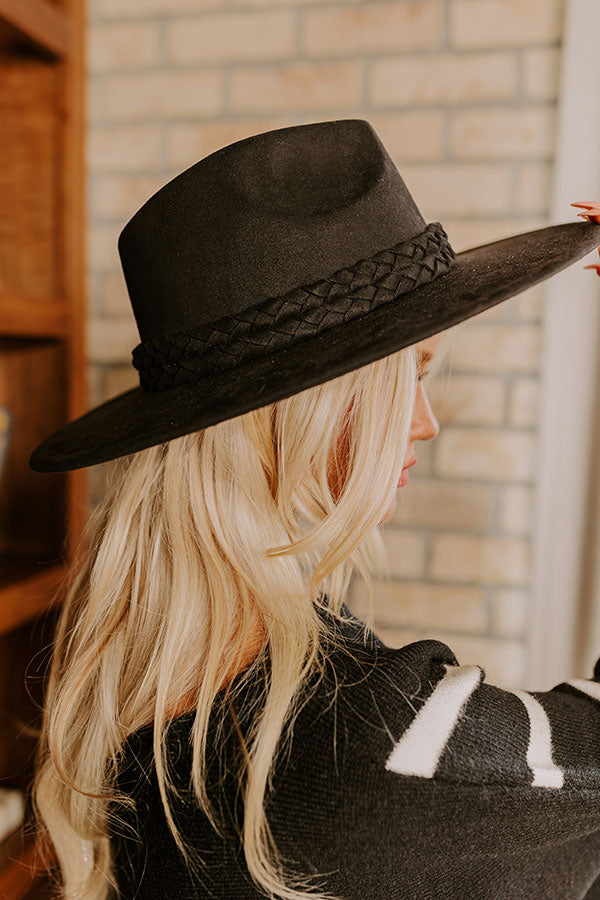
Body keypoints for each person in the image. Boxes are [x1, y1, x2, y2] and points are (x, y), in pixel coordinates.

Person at [27, 120, 600, 900]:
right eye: (409, 377)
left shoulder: (136, 679)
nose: (426, 421)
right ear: (304, 414)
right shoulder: (383, 735)